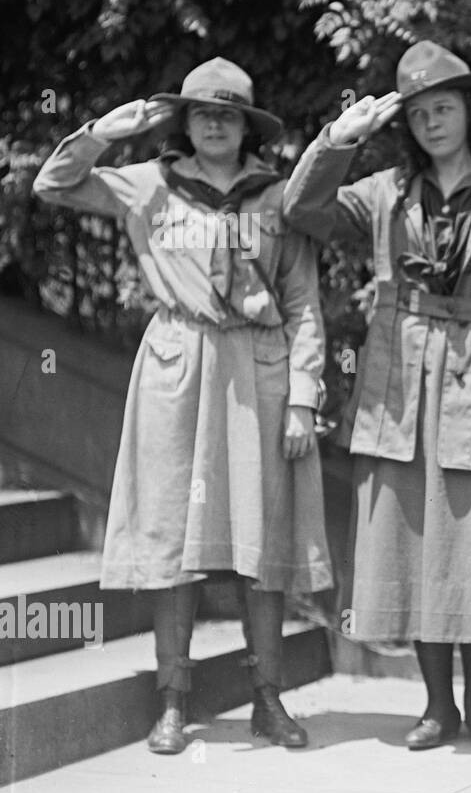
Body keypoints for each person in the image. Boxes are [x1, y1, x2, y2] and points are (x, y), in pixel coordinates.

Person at [33, 57, 333, 754]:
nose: (215, 124)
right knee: (173, 532)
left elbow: (303, 302)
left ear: (247, 126)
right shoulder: (150, 185)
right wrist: (103, 133)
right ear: (186, 123)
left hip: (257, 369)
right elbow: (53, 184)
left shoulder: (277, 196)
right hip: (178, 364)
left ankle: (267, 697)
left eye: (228, 114)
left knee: (262, 534)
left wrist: (303, 396)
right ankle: (173, 697)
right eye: (202, 113)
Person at [282, 42, 471, 752]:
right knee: (413, 545)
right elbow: (301, 208)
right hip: (400, 383)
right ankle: (437, 706)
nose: (432, 122)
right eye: (418, 114)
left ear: (469, 111)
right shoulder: (384, 193)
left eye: (444, 108)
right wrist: (337, 140)